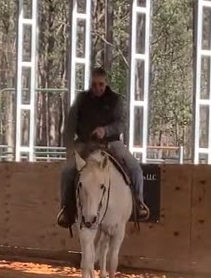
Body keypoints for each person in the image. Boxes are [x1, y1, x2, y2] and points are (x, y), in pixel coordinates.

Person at [57, 67, 149, 228]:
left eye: (100, 84)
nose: (97, 88)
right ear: (90, 84)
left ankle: (139, 203)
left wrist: (105, 130)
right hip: (84, 143)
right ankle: (67, 209)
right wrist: (70, 148)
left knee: (135, 168)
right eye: (94, 84)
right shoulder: (81, 99)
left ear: (106, 83)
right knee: (67, 171)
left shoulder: (116, 100)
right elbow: (70, 124)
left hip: (110, 142)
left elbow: (121, 124)